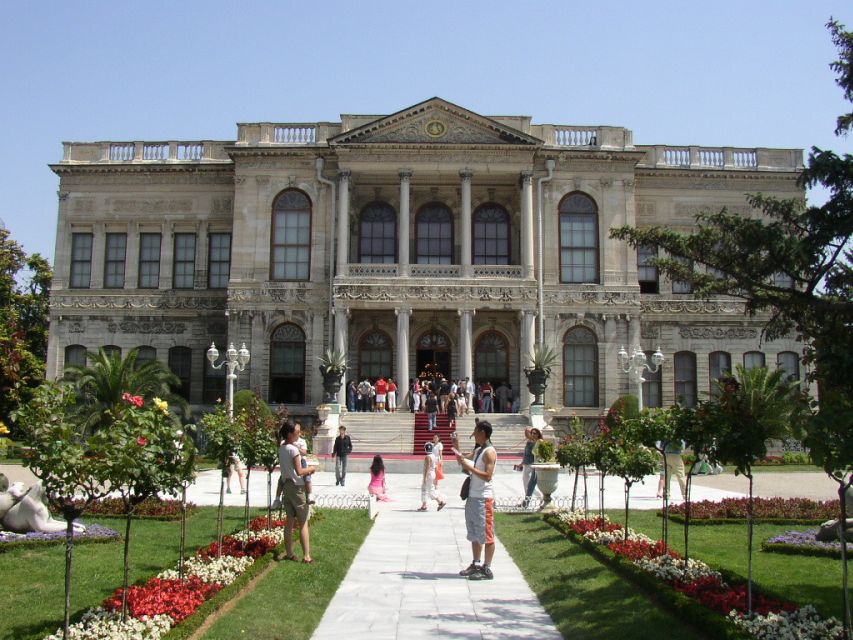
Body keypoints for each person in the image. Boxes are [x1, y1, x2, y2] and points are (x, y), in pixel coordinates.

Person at [456, 420, 497, 580]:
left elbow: (488, 476)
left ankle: (487, 568)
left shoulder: (489, 452)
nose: (474, 436)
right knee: (474, 532)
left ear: (482, 433)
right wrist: (456, 445)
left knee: (486, 534)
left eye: (475, 432)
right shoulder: (480, 450)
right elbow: (464, 459)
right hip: (473, 497)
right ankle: (476, 563)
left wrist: (471, 468)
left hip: (483, 498)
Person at [275, 420, 317, 563]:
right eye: (295, 433)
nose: (297, 435)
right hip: (298, 487)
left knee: (289, 521)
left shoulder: (281, 448)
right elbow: (299, 471)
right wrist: (311, 469)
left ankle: (289, 553)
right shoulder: (293, 450)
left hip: (286, 486)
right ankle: (307, 556)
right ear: (289, 434)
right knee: (303, 521)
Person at [517, 427, 542, 508]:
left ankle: (528, 500)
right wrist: (522, 463)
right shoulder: (529, 442)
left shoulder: (538, 442)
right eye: (531, 433)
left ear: (538, 434)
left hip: (533, 465)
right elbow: (526, 454)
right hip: (527, 464)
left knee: (530, 484)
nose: (532, 434)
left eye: (534, 433)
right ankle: (530, 499)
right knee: (526, 483)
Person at [417, 442, 446, 511]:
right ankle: (435, 503)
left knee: (425, 489)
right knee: (430, 489)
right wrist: (436, 477)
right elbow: (436, 467)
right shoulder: (434, 456)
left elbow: (428, 467)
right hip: (433, 474)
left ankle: (438, 502)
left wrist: (425, 478)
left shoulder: (428, 457)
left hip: (428, 474)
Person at [295, 422, 314, 504]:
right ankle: (277, 498)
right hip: (291, 460)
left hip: (301, 460)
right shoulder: (288, 441)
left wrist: (297, 448)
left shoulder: (302, 441)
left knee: (307, 477)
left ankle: (310, 495)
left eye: (297, 431)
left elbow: (304, 453)